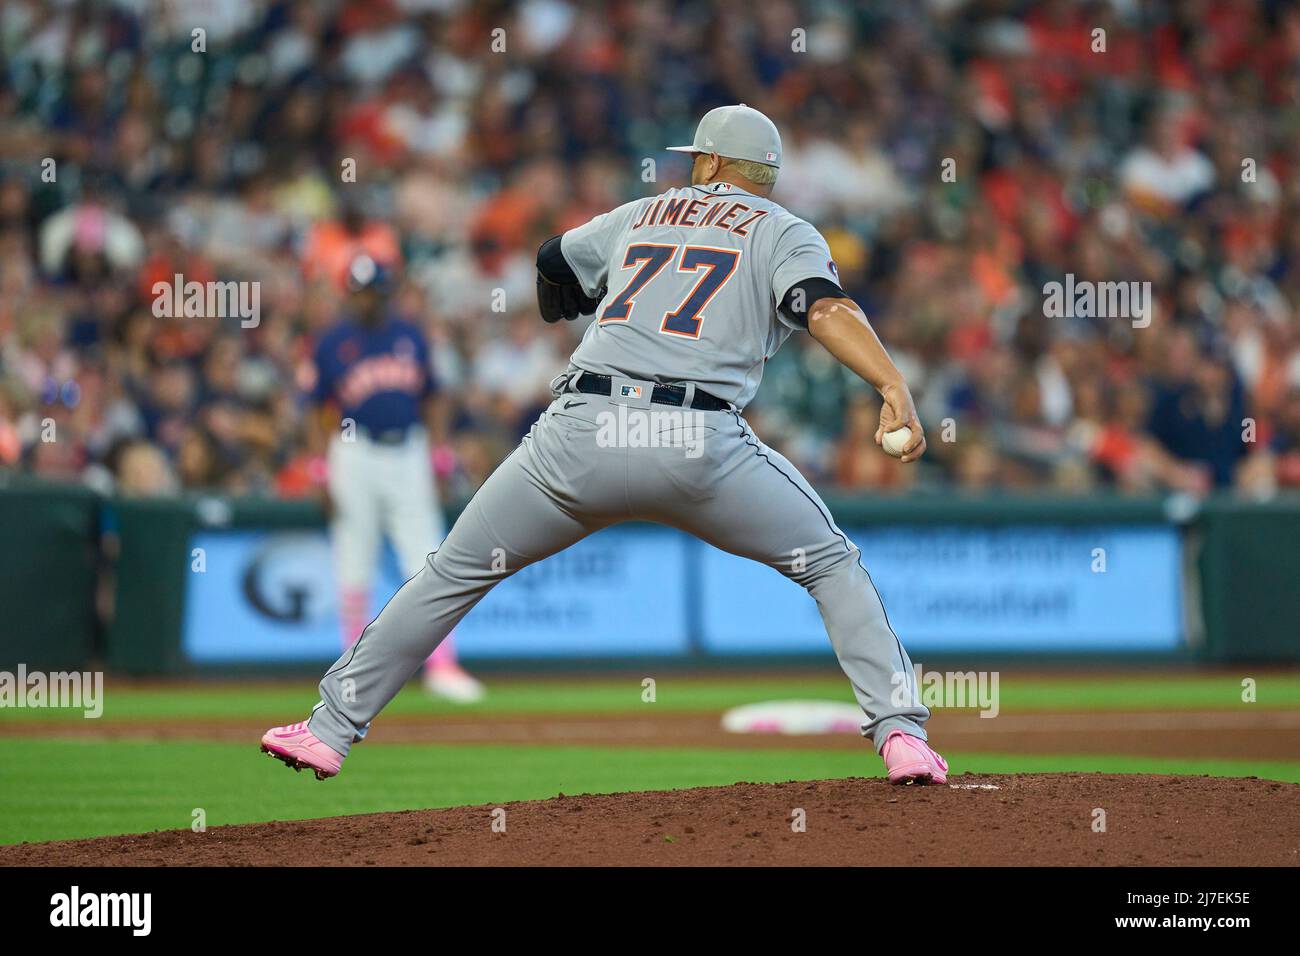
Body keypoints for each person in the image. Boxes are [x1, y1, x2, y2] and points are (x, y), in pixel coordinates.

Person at [263, 105, 945, 784]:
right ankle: (901, 737)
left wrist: (559, 292)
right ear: (765, 174)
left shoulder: (644, 213)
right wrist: (892, 384)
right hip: (696, 440)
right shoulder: (784, 230)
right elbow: (823, 308)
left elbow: (553, 257)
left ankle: (329, 732)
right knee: (830, 563)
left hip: (581, 432)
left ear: (706, 163)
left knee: (452, 572)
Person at [305, 254, 484, 703]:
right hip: (355, 451)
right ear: (350, 293)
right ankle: (352, 668)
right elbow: (313, 409)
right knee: (353, 559)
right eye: (361, 291)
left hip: (408, 449)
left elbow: (434, 399)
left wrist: (440, 458)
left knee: (428, 561)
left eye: (374, 291)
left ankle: (442, 665)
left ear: (385, 292)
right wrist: (319, 471)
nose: (368, 300)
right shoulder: (332, 342)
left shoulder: (408, 334)